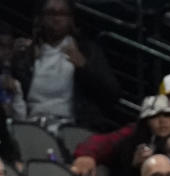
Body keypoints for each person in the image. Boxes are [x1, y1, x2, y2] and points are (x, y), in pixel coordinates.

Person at [10, 0, 119, 131]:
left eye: (62, 13)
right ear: (41, 18)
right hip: (32, 128)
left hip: (74, 129)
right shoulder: (28, 54)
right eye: (51, 13)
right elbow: (13, 92)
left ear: (71, 19)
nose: (56, 19)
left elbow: (112, 93)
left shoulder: (87, 50)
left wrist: (84, 66)